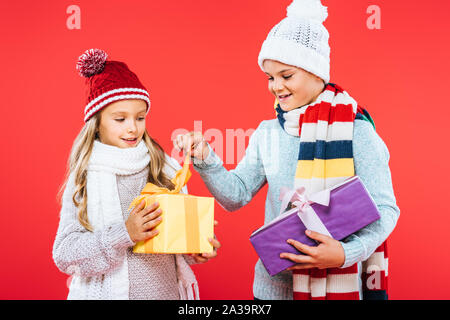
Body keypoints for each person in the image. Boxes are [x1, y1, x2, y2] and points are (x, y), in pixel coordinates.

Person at [174, 0, 399, 300]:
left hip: (338, 282)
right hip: (272, 290)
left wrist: (345, 253)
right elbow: (236, 195)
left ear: (316, 73)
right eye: (270, 77)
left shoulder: (358, 132)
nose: (275, 86)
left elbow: (385, 209)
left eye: (286, 75)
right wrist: (205, 158)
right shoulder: (268, 131)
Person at [52, 48, 221, 300]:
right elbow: (65, 255)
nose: (133, 128)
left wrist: (194, 248)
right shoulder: (85, 179)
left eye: (140, 118)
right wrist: (125, 234)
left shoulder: (163, 168)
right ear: (96, 123)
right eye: (120, 119)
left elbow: (174, 243)